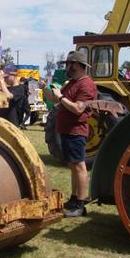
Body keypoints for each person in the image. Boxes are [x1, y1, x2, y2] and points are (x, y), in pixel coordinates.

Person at [44, 51, 97, 217]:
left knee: (80, 166)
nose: (67, 67)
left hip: (75, 131)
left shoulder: (86, 84)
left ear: (77, 65)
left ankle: (80, 206)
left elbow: (78, 108)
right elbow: (56, 100)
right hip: (67, 131)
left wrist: (60, 98)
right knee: (73, 166)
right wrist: (47, 90)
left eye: (69, 64)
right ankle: (74, 199)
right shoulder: (73, 83)